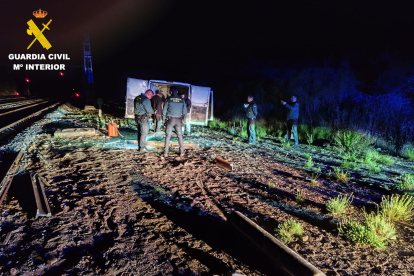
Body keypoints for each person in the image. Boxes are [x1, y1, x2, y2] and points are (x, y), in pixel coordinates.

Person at [162, 87, 187, 157]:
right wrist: (183, 121)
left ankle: (165, 153)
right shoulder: (182, 100)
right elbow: (185, 112)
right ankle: (182, 152)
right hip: (179, 120)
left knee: (168, 136)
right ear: (177, 92)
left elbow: (164, 111)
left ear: (171, 92)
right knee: (180, 136)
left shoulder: (168, 99)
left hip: (170, 120)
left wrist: (163, 120)